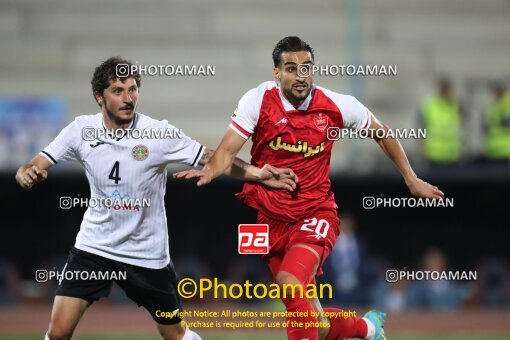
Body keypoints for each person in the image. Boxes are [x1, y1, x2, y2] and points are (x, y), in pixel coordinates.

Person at [175, 36, 445, 340]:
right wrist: (212, 169)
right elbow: (226, 151)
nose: (300, 75)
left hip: (315, 214)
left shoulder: (337, 105)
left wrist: (411, 178)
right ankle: (368, 328)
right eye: (291, 68)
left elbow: (382, 133)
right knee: (310, 318)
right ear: (277, 73)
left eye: (306, 67)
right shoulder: (258, 100)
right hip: (270, 220)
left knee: (290, 283)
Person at [15, 56, 297, 340]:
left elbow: (213, 157)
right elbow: (33, 165)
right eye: (118, 91)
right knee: (58, 332)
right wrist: (28, 174)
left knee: (174, 335)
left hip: (146, 255)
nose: (128, 98)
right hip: (94, 248)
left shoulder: (158, 133)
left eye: (133, 89)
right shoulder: (81, 130)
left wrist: (259, 173)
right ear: (99, 96)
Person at [420, 77, 462, 165]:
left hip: (451, 154)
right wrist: (421, 147)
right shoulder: (430, 105)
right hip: (434, 153)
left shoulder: (454, 105)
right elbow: (421, 126)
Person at [483, 81, 510, 160]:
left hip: (507, 151)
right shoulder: (491, 108)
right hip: (493, 151)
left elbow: (506, 123)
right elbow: (486, 127)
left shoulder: (507, 105)